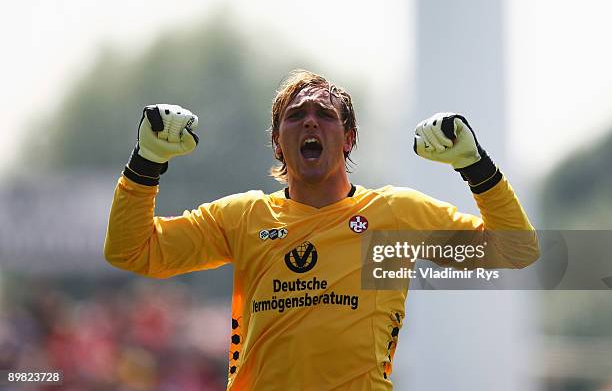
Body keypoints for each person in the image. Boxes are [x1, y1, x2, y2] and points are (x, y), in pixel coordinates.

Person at [104, 69, 539, 390]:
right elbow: (131, 250)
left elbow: (516, 250)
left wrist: (475, 166)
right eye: (296, 116)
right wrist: (146, 163)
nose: (310, 121)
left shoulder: (394, 215)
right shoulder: (242, 217)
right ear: (277, 142)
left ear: (349, 138)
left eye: (324, 115)